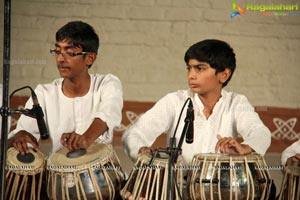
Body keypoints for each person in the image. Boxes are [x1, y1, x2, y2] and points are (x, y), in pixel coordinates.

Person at [122, 39, 271, 164]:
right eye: (189, 68)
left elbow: (260, 133)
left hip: (219, 190)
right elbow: (134, 133)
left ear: (224, 75)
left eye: (200, 69)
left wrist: (245, 147)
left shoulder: (236, 103)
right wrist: (141, 150)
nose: (191, 76)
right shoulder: (174, 102)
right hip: (177, 188)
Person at [8, 21, 123, 156]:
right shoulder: (43, 94)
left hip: (101, 174)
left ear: (90, 58)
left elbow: (108, 114)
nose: (60, 59)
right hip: (58, 172)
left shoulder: (107, 84)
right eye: (57, 51)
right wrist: (20, 136)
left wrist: (85, 138)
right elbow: (23, 133)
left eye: (70, 53)